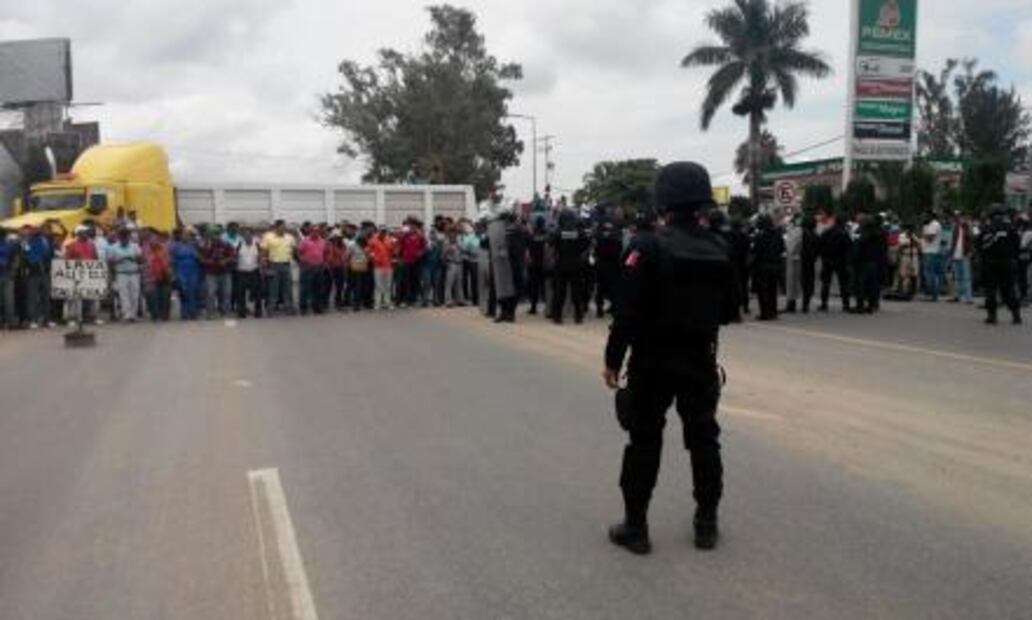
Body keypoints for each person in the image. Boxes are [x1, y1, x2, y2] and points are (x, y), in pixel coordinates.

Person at [603, 162, 737, 554]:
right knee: (704, 440)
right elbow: (730, 309)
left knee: (644, 440)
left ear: (663, 201)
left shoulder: (646, 245)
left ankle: (636, 527)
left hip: (652, 361)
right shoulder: (719, 247)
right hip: (700, 360)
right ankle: (706, 525)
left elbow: (626, 314)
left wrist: (613, 360)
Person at [978, 205, 1022, 325]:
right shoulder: (1010, 227)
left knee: (991, 290)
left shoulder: (986, 228)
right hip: (1006, 262)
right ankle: (1016, 315)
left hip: (990, 263)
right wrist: (1013, 257)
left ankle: (992, 316)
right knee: (1009, 289)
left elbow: (979, 246)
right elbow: (1017, 244)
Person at [551, 208, 589, 324]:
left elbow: (551, 243)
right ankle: (578, 317)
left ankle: (557, 317)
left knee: (559, 292)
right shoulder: (579, 232)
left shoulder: (558, 232)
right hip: (576, 265)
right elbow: (585, 245)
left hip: (561, 264)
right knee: (576, 292)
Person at [750, 214, 784, 321]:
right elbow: (782, 248)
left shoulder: (760, 236)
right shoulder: (778, 235)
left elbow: (755, 251)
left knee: (763, 291)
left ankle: (765, 313)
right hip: (775, 266)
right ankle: (773, 312)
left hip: (763, 266)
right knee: (772, 290)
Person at [107, 227, 143, 322]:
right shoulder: (113, 247)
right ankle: (127, 315)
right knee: (124, 295)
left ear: (129, 236)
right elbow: (110, 262)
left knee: (135, 294)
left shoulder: (135, 246)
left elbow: (141, 259)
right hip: (121, 273)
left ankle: (133, 314)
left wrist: (133, 258)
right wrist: (119, 260)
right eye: (122, 236)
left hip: (134, 272)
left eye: (126, 236)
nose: (124, 238)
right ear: (119, 237)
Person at [818, 213, 852, 312]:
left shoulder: (827, 232)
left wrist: (823, 256)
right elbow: (849, 247)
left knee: (826, 283)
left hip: (827, 260)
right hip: (841, 260)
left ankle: (824, 304)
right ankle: (846, 304)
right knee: (843, 283)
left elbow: (820, 245)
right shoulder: (844, 233)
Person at [261, 220, 297, 315]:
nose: (284, 228)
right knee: (273, 289)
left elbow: (294, 250)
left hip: (286, 264)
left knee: (288, 288)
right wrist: (265, 266)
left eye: (284, 227)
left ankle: (289, 308)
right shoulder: (268, 237)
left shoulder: (290, 237)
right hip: (273, 265)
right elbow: (264, 252)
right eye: (282, 227)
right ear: (276, 227)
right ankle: (271, 309)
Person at [21, 225, 53, 329]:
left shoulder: (45, 241)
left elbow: (49, 255)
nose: (36, 230)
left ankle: (46, 320)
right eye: (34, 229)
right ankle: (33, 320)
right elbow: (25, 256)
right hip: (33, 274)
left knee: (46, 298)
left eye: (38, 228)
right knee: (33, 298)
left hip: (44, 273)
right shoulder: (26, 242)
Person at [200, 228, 236, 318]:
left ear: (220, 235)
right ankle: (210, 313)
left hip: (225, 273)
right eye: (214, 234)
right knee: (210, 293)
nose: (216, 236)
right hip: (211, 273)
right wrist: (210, 261)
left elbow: (233, 256)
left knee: (226, 293)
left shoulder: (226, 245)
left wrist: (226, 261)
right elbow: (201, 259)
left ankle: (225, 312)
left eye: (218, 234)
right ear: (211, 236)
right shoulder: (206, 246)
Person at [593, 218, 624, 318]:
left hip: (601, 265)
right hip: (613, 265)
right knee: (613, 288)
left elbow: (595, 250)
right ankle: (614, 309)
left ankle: (599, 310)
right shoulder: (617, 235)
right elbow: (620, 250)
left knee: (600, 288)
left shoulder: (598, 235)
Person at [170, 228, 203, 320]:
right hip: (181, 270)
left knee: (193, 291)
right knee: (183, 292)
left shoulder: (194, 245)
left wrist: (197, 253)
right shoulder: (176, 247)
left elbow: (200, 258)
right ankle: (184, 313)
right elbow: (172, 261)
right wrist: (174, 274)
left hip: (194, 270)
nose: (185, 237)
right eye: (184, 235)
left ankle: (193, 313)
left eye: (187, 235)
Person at [142, 230, 173, 321]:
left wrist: (168, 271)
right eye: (152, 239)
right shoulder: (145, 250)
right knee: (152, 296)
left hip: (164, 275)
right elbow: (143, 263)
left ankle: (164, 315)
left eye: (156, 239)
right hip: (150, 277)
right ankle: (155, 315)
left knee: (165, 296)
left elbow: (168, 261)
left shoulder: (164, 249)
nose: (154, 241)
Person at [234, 228, 264, 318]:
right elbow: (234, 257)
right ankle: (241, 312)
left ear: (252, 235)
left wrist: (262, 266)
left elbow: (261, 257)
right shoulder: (239, 245)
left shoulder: (257, 245)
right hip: (241, 272)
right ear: (243, 236)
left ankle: (258, 312)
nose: (247, 236)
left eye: (249, 234)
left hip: (254, 271)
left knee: (257, 293)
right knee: (240, 293)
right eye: (245, 235)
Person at [298, 225, 327, 315]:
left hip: (319, 266)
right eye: (314, 231)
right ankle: (303, 307)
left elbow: (325, 252)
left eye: (317, 231)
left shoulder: (322, 241)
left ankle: (317, 307)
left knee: (318, 288)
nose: (316, 233)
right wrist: (302, 261)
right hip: (307, 267)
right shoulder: (305, 241)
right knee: (305, 288)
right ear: (310, 232)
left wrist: (324, 262)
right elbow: (298, 252)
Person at [367, 227, 396, 311]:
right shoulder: (373, 240)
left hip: (388, 266)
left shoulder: (389, 240)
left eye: (384, 232)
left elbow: (393, 252)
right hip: (378, 267)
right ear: (378, 232)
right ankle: (377, 304)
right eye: (381, 231)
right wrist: (374, 258)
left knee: (388, 286)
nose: (383, 233)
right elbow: (368, 251)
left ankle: (387, 303)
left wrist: (394, 246)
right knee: (378, 286)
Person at [948, 213, 974, 304]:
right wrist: (951, 252)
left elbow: (971, 238)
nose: (959, 219)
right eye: (957, 217)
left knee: (966, 277)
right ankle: (957, 295)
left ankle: (968, 297)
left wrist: (966, 225)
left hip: (965, 254)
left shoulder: (967, 227)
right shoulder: (955, 227)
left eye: (960, 217)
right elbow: (952, 240)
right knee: (957, 277)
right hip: (955, 254)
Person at [526, 217, 549, 315]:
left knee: (534, 287)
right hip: (545, 264)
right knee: (546, 287)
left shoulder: (531, 236)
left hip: (534, 265)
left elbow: (527, 250)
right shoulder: (547, 236)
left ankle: (533, 308)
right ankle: (548, 308)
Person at [920, 211, 944, 301]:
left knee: (930, 274)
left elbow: (930, 238)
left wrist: (923, 235)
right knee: (930, 274)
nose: (923, 218)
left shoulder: (934, 224)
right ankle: (933, 295)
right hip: (928, 251)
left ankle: (933, 295)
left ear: (929, 216)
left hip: (932, 252)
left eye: (924, 216)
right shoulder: (927, 225)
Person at [324, 230, 349, 311]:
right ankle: (325, 303)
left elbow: (344, 255)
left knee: (340, 286)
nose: (336, 239)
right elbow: (326, 255)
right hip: (330, 267)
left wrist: (344, 264)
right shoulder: (328, 244)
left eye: (338, 237)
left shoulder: (342, 245)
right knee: (328, 286)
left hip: (340, 267)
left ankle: (338, 303)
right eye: (335, 237)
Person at [783, 214, 803, 313]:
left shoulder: (797, 231)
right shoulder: (795, 231)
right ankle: (791, 303)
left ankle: (791, 304)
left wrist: (788, 248)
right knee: (791, 282)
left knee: (792, 282)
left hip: (793, 259)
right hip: (793, 259)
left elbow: (792, 246)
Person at [800, 214, 819, 313]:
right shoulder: (815, 236)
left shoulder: (801, 234)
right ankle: (805, 303)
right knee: (808, 282)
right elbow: (818, 249)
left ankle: (802, 303)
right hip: (810, 261)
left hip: (801, 260)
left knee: (802, 281)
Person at [442, 226, 466, 307]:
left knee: (459, 283)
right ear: (449, 234)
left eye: (454, 232)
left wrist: (458, 245)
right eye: (451, 232)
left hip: (459, 263)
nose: (453, 234)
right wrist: (446, 263)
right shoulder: (446, 242)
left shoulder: (459, 241)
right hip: (451, 263)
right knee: (449, 283)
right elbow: (443, 255)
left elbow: (463, 251)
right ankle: (448, 301)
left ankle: (460, 300)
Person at [0, 227, 18, 329]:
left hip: (6, 274)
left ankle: (4, 322)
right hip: (7, 275)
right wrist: (13, 272)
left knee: (6, 300)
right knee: (9, 300)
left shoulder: (9, 245)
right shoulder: (10, 245)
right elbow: (15, 259)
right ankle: (11, 322)